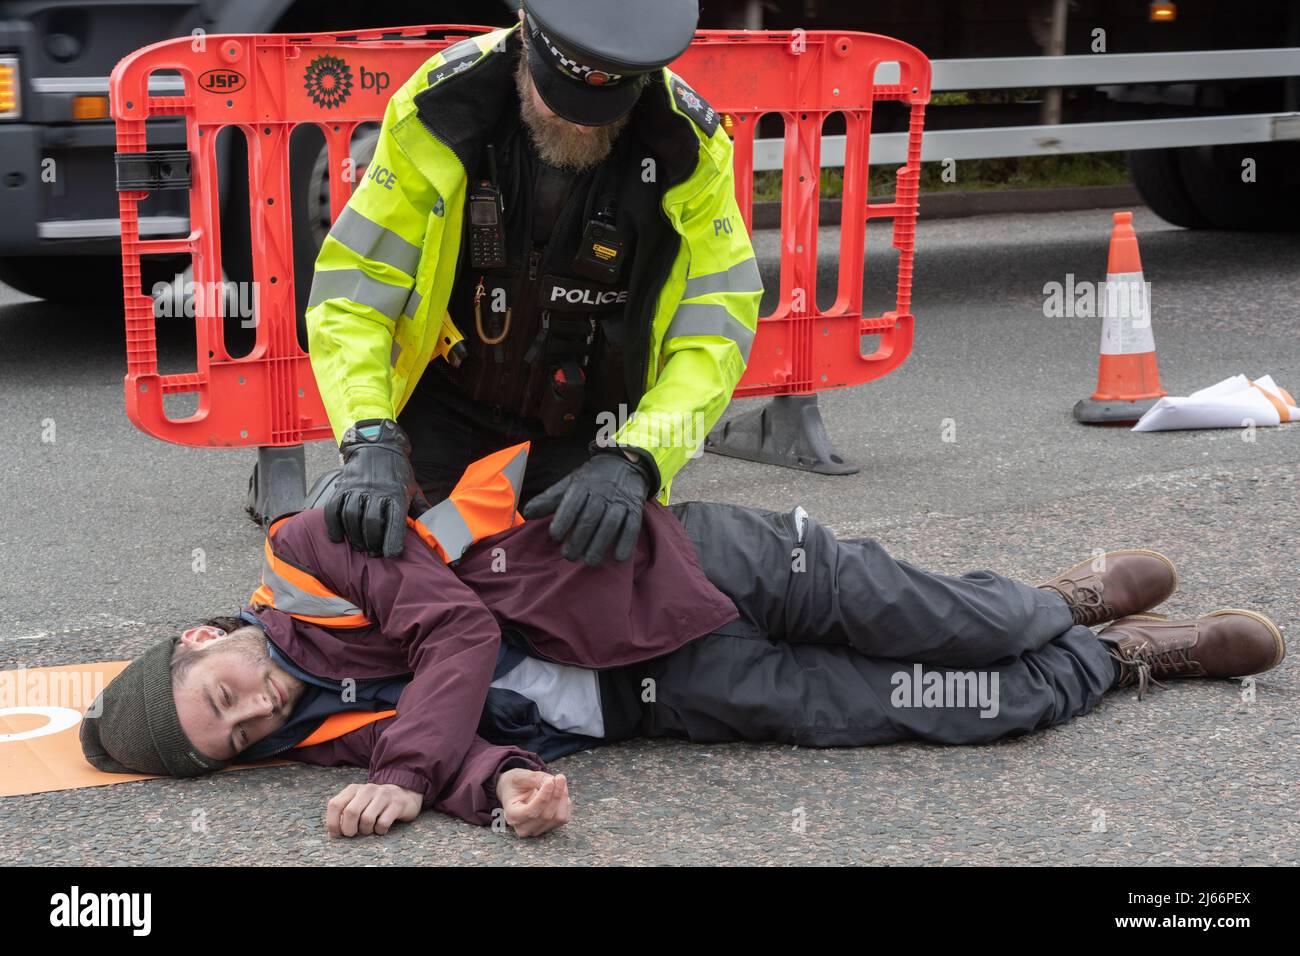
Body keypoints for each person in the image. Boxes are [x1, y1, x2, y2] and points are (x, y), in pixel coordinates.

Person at [80, 445, 1285, 839]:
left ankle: (1058, 604)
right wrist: (507, 788)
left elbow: (448, 632)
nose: (254, 711)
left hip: (676, 560)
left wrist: (400, 774)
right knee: (963, 704)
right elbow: (440, 754)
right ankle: (1123, 660)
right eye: (235, 735)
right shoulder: (315, 733)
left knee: (967, 623)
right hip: (661, 689)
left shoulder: (308, 546)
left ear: (203, 635)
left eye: (224, 691)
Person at [306, 0, 761, 566]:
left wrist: (640, 457)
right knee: (370, 559)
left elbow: (716, 325)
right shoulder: (441, 105)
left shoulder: (688, 147)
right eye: (562, 101)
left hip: (593, 431)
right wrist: (369, 434)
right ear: (527, 35)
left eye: (603, 111)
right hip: (446, 399)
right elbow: (357, 287)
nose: (578, 123)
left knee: (598, 598)